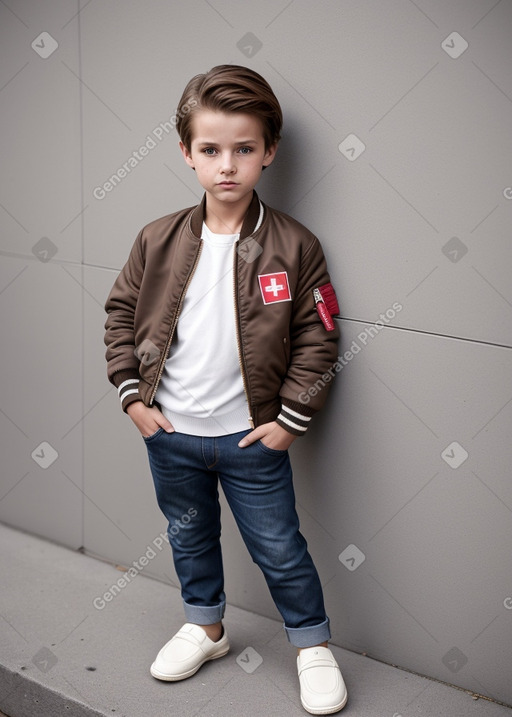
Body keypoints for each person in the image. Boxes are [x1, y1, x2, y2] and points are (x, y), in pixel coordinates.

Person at [104, 64, 346, 714]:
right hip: (172, 433)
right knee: (188, 534)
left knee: (279, 546)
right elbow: (121, 313)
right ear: (187, 152)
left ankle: (312, 645)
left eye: (244, 148)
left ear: (269, 151)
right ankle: (206, 626)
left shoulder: (296, 246)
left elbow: (321, 336)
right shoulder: (157, 238)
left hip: (252, 439)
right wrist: (133, 396)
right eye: (210, 149)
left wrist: (290, 420)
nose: (227, 165)